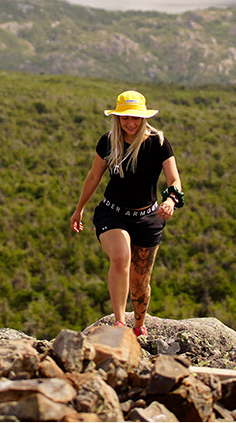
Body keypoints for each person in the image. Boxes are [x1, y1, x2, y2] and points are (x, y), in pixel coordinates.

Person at [70, 90, 184, 337]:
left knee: (140, 279)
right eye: (124, 118)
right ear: (117, 118)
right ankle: (120, 322)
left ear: (143, 118)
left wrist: (171, 200)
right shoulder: (108, 141)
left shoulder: (159, 143)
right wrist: (79, 209)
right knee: (121, 258)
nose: (130, 123)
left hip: (147, 217)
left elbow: (174, 178)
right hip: (112, 213)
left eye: (135, 118)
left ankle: (139, 324)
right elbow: (93, 176)